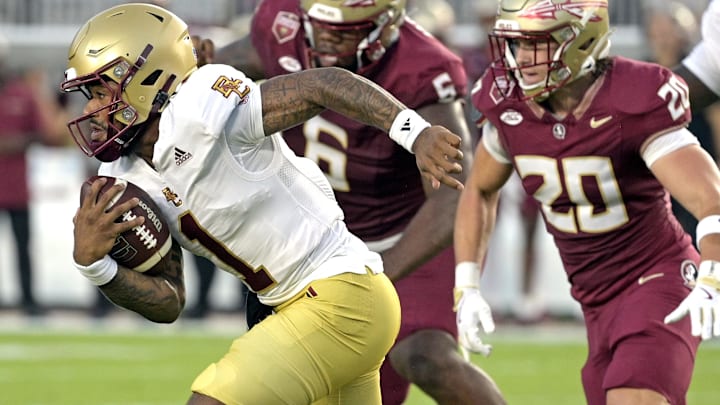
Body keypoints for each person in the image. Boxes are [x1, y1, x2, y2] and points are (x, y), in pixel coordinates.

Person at [64, 3, 465, 404]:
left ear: (147, 80)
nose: (89, 110)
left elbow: (321, 85)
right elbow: (169, 301)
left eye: (100, 92)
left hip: (338, 296)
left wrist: (415, 133)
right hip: (314, 307)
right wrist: (97, 267)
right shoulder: (126, 180)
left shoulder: (200, 107)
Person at [215, 1, 505, 404]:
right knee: (328, 384)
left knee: (423, 356)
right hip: (322, 242)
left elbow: (451, 202)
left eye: (345, 31)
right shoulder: (285, 25)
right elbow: (225, 69)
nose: (326, 39)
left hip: (407, 236)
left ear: (386, 28)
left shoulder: (421, 67)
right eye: (319, 27)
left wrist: (377, 276)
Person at [452, 1, 720, 405]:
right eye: (515, 45)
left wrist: (713, 273)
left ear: (578, 43)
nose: (520, 59)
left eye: (534, 46)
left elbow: (709, 197)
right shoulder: (509, 105)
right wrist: (466, 285)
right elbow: (480, 189)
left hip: (656, 278)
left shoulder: (634, 96)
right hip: (593, 300)